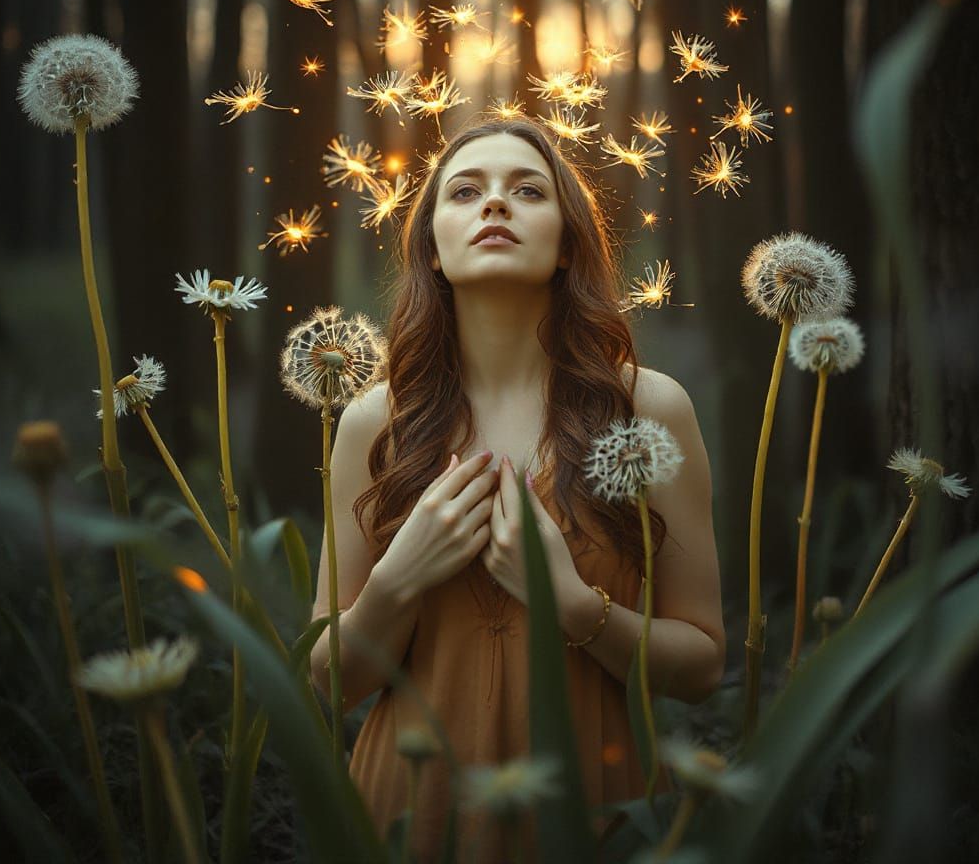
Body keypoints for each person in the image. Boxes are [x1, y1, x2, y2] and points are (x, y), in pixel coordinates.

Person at [310, 117, 725, 862]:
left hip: (597, 814)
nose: (494, 204)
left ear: (567, 245)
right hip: (406, 819)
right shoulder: (375, 422)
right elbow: (330, 678)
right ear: (432, 248)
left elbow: (701, 666)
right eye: (466, 191)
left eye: (526, 190)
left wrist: (570, 602)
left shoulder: (649, 410)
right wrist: (399, 579)